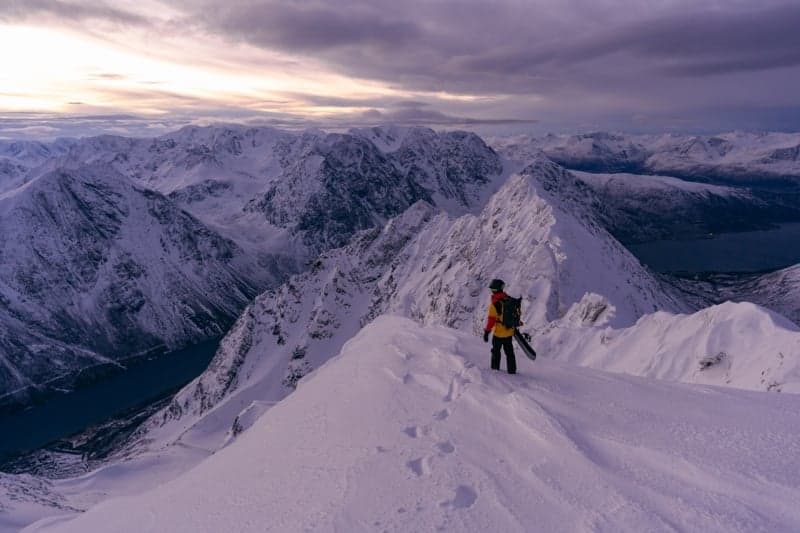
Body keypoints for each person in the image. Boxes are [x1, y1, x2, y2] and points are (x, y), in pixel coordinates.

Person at [483, 279, 518, 374]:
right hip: (509, 332)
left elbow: (491, 320)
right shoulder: (509, 299)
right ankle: (512, 371)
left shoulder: (495, 304)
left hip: (498, 334)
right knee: (510, 353)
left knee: (496, 352)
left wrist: (487, 332)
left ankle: (495, 371)